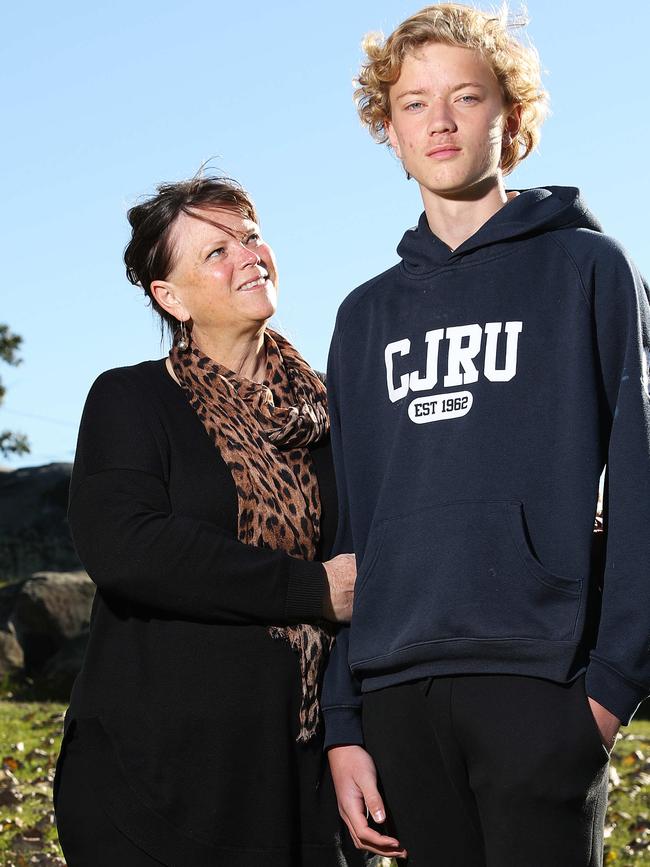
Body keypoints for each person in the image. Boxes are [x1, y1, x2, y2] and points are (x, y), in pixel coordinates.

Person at [321, 5, 650, 866]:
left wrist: (611, 689)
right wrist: (344, 725)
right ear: (385, 127)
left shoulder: (590, 270)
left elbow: (646, 484)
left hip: (540, 686)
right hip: (395, 696)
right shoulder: (363, 318)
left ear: (512, 114)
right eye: (413, 102)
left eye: (466, 96)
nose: (440, 120)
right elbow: (349, 527)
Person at [53, 174, 362, 867]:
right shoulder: (133, 399)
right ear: (171, 296)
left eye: (251, 237)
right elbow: (129, 547)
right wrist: (313, 589)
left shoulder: (336, 416)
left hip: (304, 784)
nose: (248, 256)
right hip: (154, 790)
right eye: (215, 252)